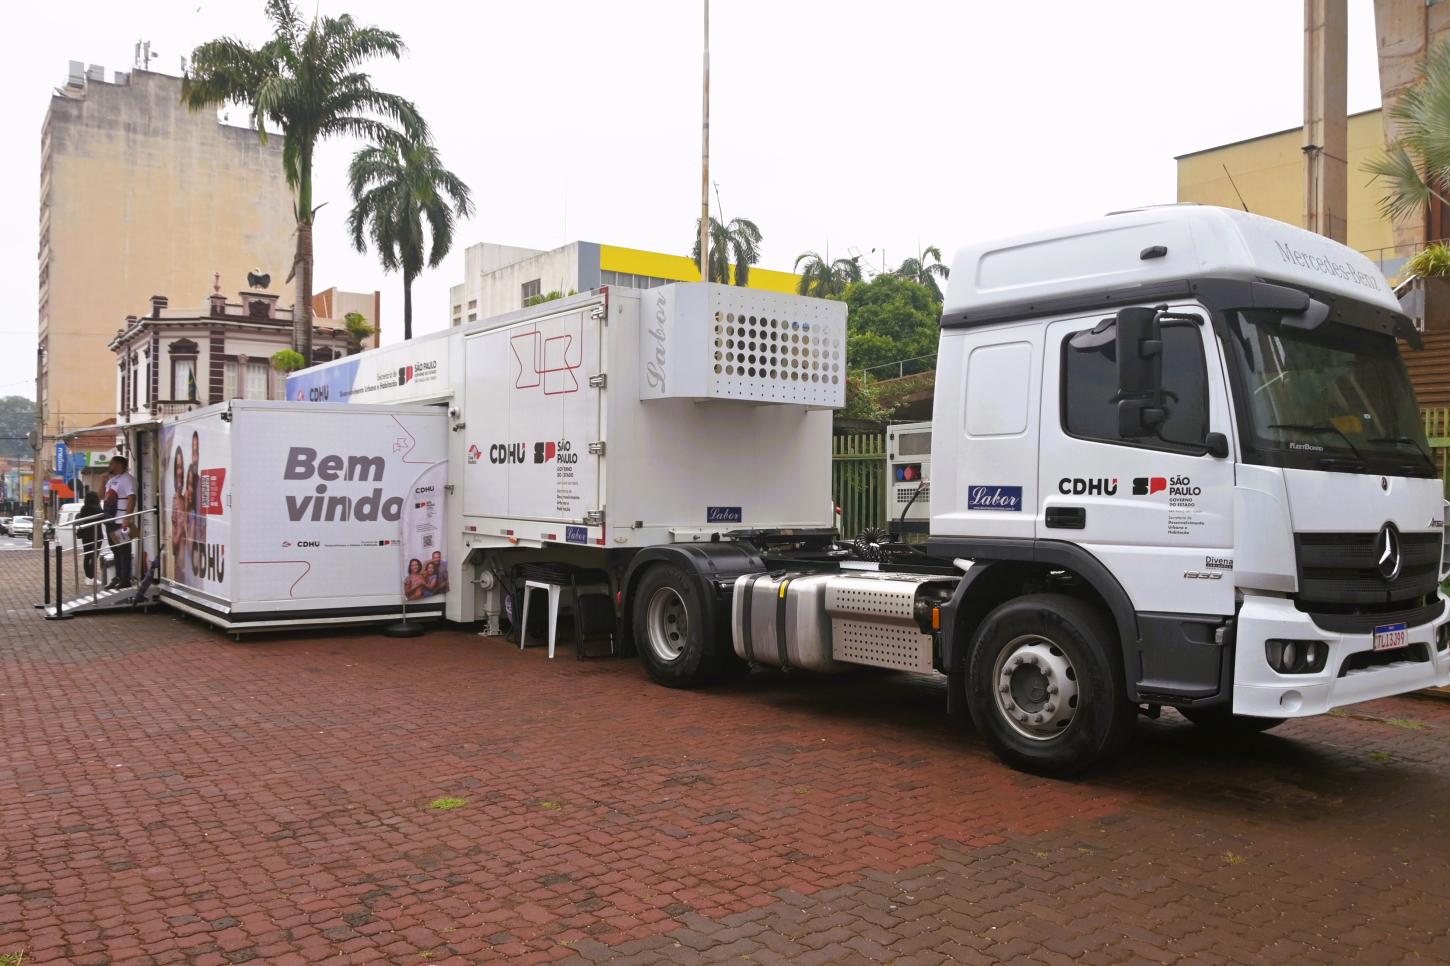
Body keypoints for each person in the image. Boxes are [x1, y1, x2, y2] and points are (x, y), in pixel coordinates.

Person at [104, 455, 136, 589]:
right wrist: (102, 480)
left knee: (123, 550)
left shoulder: (127, 479)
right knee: (115, 550)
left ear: (119, 465)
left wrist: (126, 518)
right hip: (110, 519)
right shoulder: (112, 480)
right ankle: (117, 576)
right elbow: (102, 496)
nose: (110, 466)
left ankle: (125, 578)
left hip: (120, 520)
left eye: (112, 464)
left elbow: (132, 497)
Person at [77, 491, 104, 582]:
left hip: (86, 535)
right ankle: (93, 577)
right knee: (94, 556)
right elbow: (103, 519)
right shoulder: (98, 509)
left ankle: (88, 577)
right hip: (97, 534)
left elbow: (80, 519)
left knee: (87, 556)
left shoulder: (84, 508)